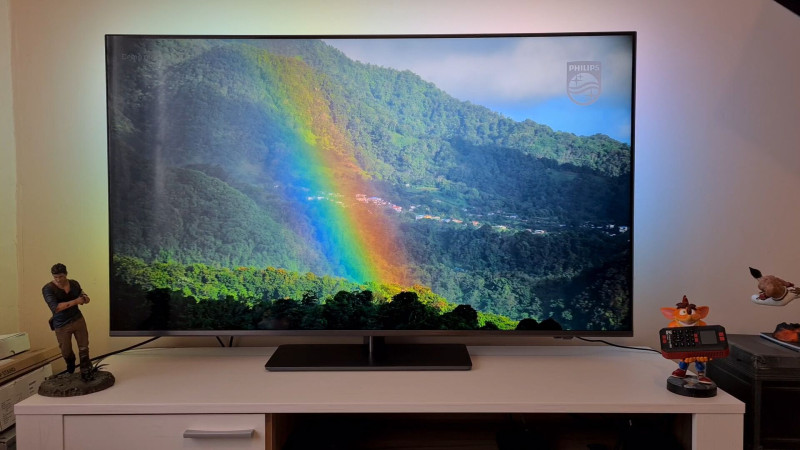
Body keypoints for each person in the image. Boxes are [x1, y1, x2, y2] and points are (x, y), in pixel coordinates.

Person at [42, 263, 93, 380]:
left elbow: (83, 294)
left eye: (61, 276)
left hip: (77, 318)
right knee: (66, 351)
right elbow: (56, 307)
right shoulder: (48, 289)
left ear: (66, 274)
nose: (58, 279)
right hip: (62, 324)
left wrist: (84, 298)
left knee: (84, 347)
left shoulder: (74, 284)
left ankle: (86, 370)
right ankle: (71, 369)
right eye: (55, 277)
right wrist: (76, 301)